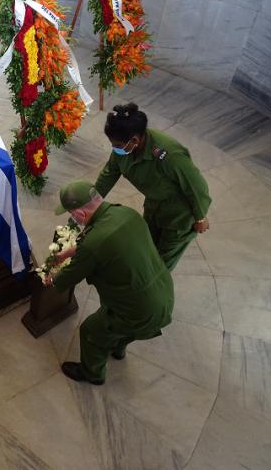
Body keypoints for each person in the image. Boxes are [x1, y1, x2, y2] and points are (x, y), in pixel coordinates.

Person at [45, 180, 174, 385]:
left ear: (80, 214)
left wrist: (50, 277)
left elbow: (67, 277)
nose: (72, 218)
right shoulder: (125, 214)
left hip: (138, 310)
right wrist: (71, 251)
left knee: (91, 331)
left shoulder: (94, 243)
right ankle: (118, 348)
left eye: (71, 213)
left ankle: (92, 374)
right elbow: (102, 240)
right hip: (163, 294)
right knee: (116, 324)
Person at [94, 103, 211, 271]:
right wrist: (90, 204)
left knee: (161, 263)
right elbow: (109, 174)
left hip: (179, 214)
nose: (115, 149)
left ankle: (153, 289)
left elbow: (196, 186)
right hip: (154, 206)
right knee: (146, 246)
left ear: (135, 140)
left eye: (117, 145)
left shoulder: (169, 154)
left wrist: (200, 217)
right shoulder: (124, 147)